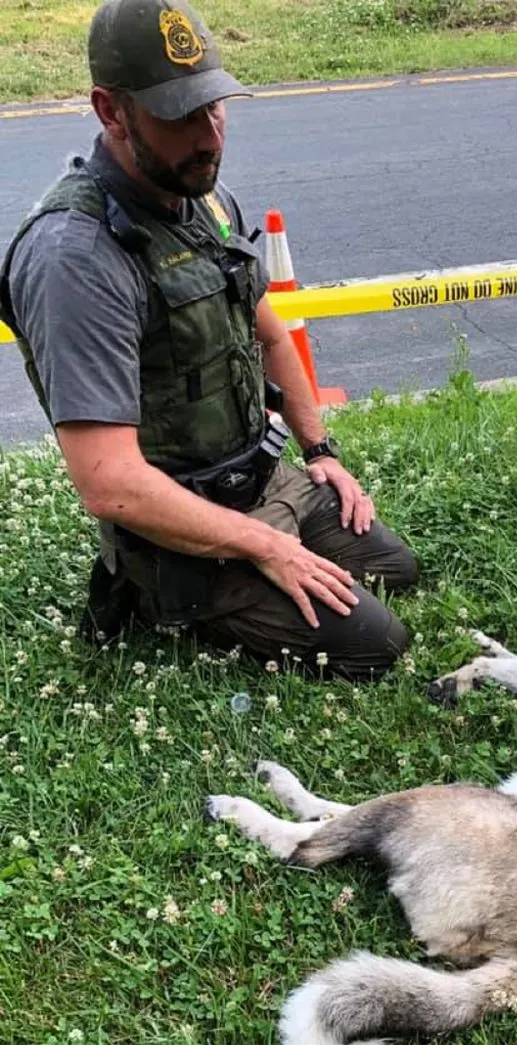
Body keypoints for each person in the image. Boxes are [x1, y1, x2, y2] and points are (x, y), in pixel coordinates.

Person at [0, 0, 419, 680]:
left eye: (214, 106)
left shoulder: (202, 200)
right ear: (111, 111)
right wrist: (265, 547)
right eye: (179, 115)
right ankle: (149, 596)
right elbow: (108, 483)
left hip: (256, 475)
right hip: (178, 522)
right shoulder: (75, 258)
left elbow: (271, 333)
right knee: (377, 645)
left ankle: (268, 542)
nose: (209, 136)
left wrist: (322, 452)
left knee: (396, 569)